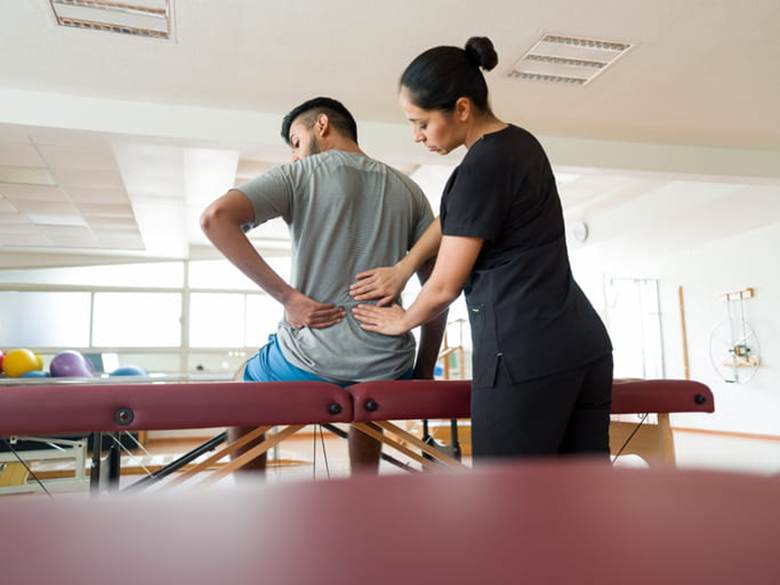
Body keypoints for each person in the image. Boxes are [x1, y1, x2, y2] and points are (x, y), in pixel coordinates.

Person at [351, 38, 613, 461]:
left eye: (421, 123)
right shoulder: (517, 144)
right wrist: (404, 266)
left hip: (524, 356)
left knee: (503, 503)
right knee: (580, 498)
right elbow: (455, 218)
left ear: (461, 108)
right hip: (582, 346)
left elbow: (444, 287)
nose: (416, 136)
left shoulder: (480, 168)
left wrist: (402, 322)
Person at [201, 97, 444, 474]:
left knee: (240, 386)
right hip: (388, 364)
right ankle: (363, 491)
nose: (296, 155)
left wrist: (288, 297)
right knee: (370, 399)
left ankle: (250, 498)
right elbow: (437, 288)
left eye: (296, 142)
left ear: (322, 125)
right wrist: (424, 369)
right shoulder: (408, 189)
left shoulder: (299, 175)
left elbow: (215, 218)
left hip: (310, 358)